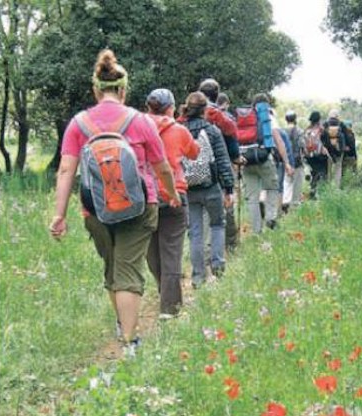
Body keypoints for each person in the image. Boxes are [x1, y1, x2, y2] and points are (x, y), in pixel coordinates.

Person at [49, 49, 180, 354]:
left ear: (96, 89)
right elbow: (162, 167)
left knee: (112, 269)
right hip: (139, 205)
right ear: (123, 90)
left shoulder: (79, 124)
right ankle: (130, 341)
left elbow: (66, 169)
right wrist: (171, 194)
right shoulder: (140, 121)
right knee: (129, 271)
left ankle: (123, 325)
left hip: (96, 209)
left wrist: (59, 215)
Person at [145, 88, 199, 319]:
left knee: (151, 251)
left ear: (148, 108)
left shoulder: (137, 127)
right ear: (171, 108)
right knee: (172, 251)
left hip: (145, 196)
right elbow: (194, 153)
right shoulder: (179, 130)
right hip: (174, 194)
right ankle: (170, 307)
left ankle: (164, 291)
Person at [179, 91, 235, 289]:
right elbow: (222, 160)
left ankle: (197, 276)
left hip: (189, 189)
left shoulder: (180, 129)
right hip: (211, 187)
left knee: (195, 232)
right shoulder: (212, 130)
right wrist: (229, 188)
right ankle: (218, 266)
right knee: (217, 225)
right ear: (205, 110)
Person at [240, 93, 294, 232]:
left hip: (246, 161)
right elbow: (279, 141)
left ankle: (256, 230)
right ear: (266, 104)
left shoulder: (245, 118)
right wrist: (286, 162)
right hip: (264, 159)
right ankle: (270, 219)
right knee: (272, 187)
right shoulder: (267, 117)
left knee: (252, 197)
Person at [199, 79, 241, 252]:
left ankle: (202, 248)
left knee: (201, 211)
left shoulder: (189, 114)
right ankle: (230, 244)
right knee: (226, 203)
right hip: (220, 166)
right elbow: (232, 145)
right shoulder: (223, 117)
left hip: (196, 166)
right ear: (217, 95)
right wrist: (237, 159)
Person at [282, 110, 305, 213]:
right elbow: (302, 145)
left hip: (286, 162)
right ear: (295, 119)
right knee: (297, 184)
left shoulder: (282, 131)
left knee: (287, 182)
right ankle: (294, 205)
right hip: (297, 162)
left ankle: (285, 201)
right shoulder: (299, 131)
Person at [304, 111, 329, 200]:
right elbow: (327, 143)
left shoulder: (307, 130)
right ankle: (320, 195)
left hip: (309, 156)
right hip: (320, 157)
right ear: (319, 119)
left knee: (313, 173)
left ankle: (312, 191)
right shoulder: (322, 130)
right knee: (322, 174)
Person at [322, 109, 347, 188]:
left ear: (329, 116)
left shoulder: (325, 124)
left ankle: (328, 185)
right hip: (339, 149)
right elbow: (346, 135)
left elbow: (321, 136)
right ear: (337, 116)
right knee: (338, 168)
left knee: (328, 168)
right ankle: (337, 187)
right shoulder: (341, 124)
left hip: (328, 149)